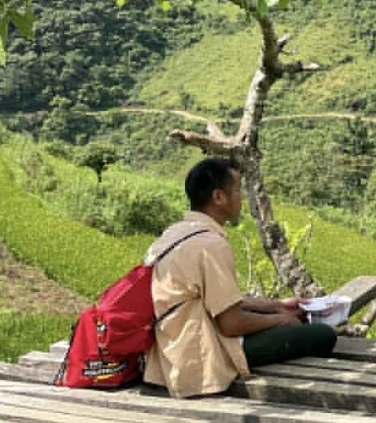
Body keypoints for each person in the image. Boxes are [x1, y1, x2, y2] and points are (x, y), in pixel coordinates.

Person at [144, 157, 337, 398]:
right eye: (236, 190)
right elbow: (231, 323)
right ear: (218, 197)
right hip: (202, 349)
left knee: (293, 322)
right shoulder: (211, 245)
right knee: (322, 335)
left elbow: (213, 300)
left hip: (170, 345)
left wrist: (276, 305)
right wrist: (280, 319)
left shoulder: (175, 234)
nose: (241, 198)